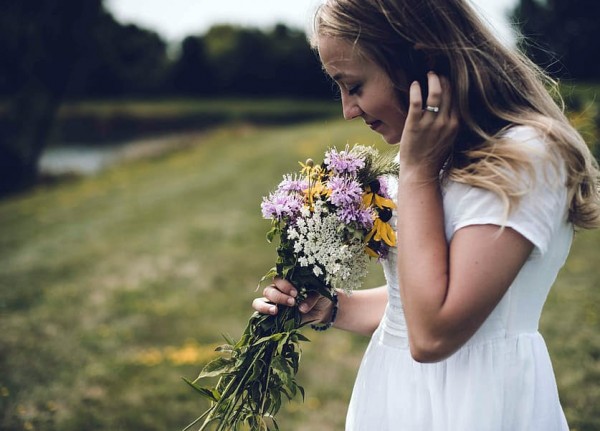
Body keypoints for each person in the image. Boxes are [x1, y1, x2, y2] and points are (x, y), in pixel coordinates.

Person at [252, 0, 600, 429]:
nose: (348, 110)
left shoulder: (522, 159)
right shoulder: (434, 153)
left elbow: (434, 333)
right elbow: (412, 301)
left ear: (417, 62)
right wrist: (333, 307)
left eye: (354, 86)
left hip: (479, 401)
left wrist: (417, 173)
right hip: (397, 393)